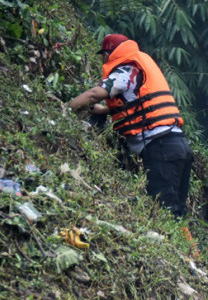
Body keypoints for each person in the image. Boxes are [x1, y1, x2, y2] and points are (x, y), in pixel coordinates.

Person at [68, 34, 193, 218]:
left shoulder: (126, 70)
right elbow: (138, 106)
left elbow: (95, 93)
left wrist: (65, 107)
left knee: (164, 213)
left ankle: (177, 247)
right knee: (176, 214)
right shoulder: (140, 66)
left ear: (108, 53)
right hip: (178, 145)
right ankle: (186, 246)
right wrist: (103, 111)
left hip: (161, 149)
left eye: (103, 55)